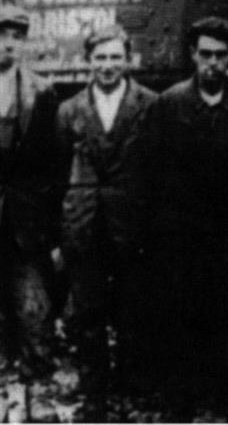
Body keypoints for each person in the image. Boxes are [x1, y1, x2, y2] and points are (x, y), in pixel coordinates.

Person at [140, 16, 228, 417]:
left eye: (220, 56)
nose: (212, 64)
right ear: (192, 56)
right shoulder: (170, 104)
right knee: (183, 322)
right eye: (205, 55)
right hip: (183, 241)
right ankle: (180, 404)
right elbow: (149, 174)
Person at [55, 25, 156, 420]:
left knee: (134, 311)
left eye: (116, 57)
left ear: (128, 59)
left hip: (132, 225)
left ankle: (132, 390)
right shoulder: (69, 111)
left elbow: (157, 169)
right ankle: (94, 395)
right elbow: (59, 170)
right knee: (88, 315)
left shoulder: (150, 104)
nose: (108, 66)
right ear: (88, 62)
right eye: (100, 58)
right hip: (84, 226)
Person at [0, 5, 60, 377]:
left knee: (31, 299)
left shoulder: (42, 92)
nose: (8, 44)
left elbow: (51, 163)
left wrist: (44, 217)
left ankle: (34, 369)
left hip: (24, 216)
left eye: (16, 37)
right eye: (2, 36)